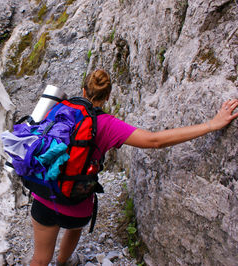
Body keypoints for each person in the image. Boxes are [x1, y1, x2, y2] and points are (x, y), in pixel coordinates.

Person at [29, 69, 238, 266]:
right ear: (108, 96)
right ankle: (65, 261)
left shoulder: (59, 110)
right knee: (75, 226)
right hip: (76, 204)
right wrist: (212, 124)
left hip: (44, 194)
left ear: (83, 91)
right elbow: (154, 140)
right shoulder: (108, 124)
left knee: (39, 259)